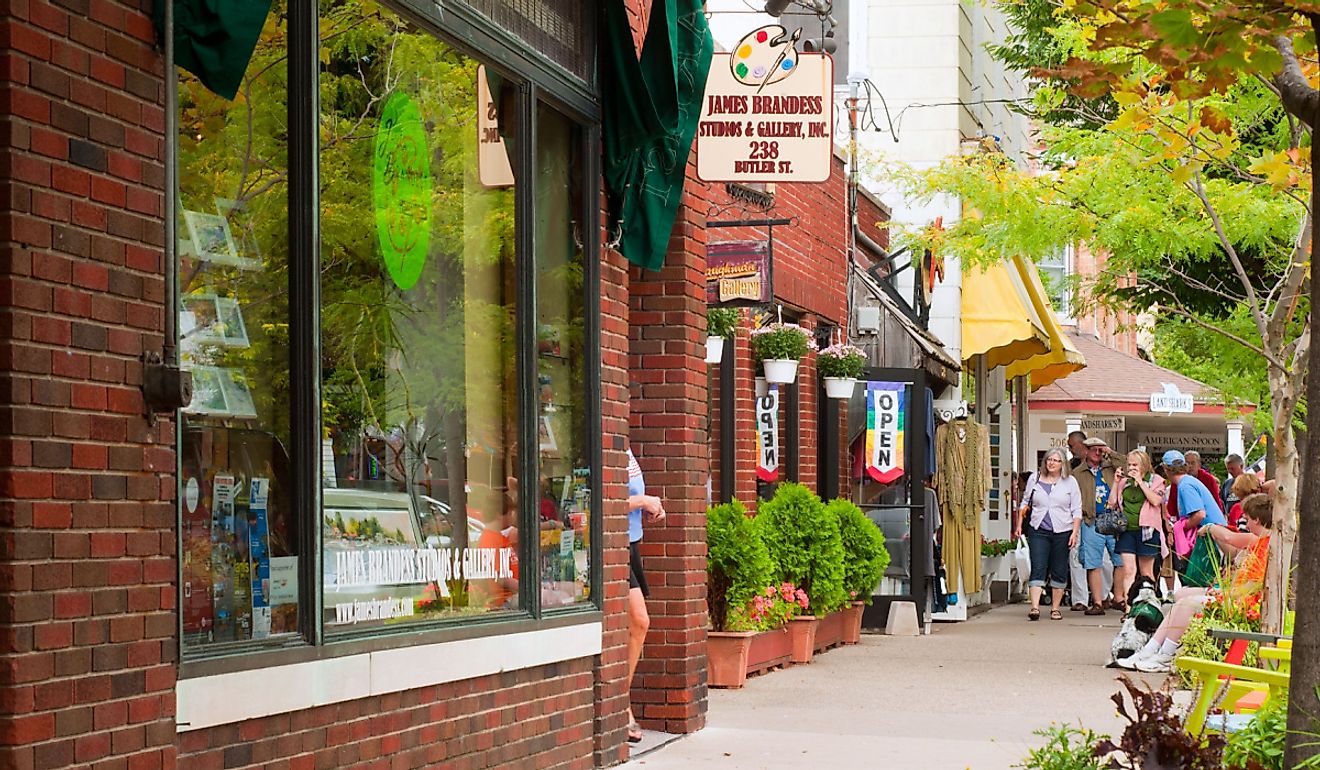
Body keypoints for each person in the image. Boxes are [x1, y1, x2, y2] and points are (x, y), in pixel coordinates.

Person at [1119, 493, 1272, 673]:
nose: (1245, 524)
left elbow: (1229, 538)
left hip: (1242, 600)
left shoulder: (1260, 539)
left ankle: (1166, 654)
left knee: (1186, 603)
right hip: (1237, 594)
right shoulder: (1259, 541)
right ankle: (1151, 648)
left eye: (1247, 519)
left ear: (1257, 519)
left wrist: (1210, 527)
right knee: (1182, 594)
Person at [624, 446, 666, 743]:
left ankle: (618, 701)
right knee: (640, 621)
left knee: (635, 625)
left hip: (630, 544)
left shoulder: (626, 449)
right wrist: (642, 500)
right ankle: (619, 704)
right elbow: (598, 500)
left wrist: (650, 506)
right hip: (610, 546)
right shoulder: (606, 439)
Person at [1013, 448, 1082, 621]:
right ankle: (1035, 607)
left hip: (1063, 530)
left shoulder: (1070, 482)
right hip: (1038, 528)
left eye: (1056, 460)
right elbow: (1025, 502)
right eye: (1049, 459)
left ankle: (1055, 608)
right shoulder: (1034, 479)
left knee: (1059, 568)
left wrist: (1074, 532)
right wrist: (1019, 525)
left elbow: (1076, 509)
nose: (1051, 463)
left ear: (1063, 464)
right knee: (1038, 566)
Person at [1107, 450, 1167, 606]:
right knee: (1129, 570)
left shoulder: (1156, 480)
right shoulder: (1124, 482)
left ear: (1144, 466)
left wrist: (1140, 482)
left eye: (1135, 465)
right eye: (1129, 465)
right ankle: (1129, 607)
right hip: (1126, 530)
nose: (1131, 468)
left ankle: (1149, 605)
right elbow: (1111, 503)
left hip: (1147, 531)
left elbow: (1155, 501)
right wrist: (1115, 482)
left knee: (1147, 572)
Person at [1075, 437, 1121, 615]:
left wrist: (1110, 452)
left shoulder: (1111, 467)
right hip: (1091, 519)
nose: (1097, 453)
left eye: (1099, 450)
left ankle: (1118, 597)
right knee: (1093, 562)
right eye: (1093, 449)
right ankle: (1097, 602)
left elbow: (1127, 463)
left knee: (1120, 560)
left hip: (1112, 517)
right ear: (1086, 451)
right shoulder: (1078, 473)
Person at [1164, 450, 1228, 530]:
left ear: (1166, 469)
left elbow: (1199, 515)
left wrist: (1181, 528)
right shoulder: (1187, 481)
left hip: (1211, 535)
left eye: (1193, 463)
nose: (1190, 466)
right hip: (1213, 531)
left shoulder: (1186, 485)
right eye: (1188, 463)